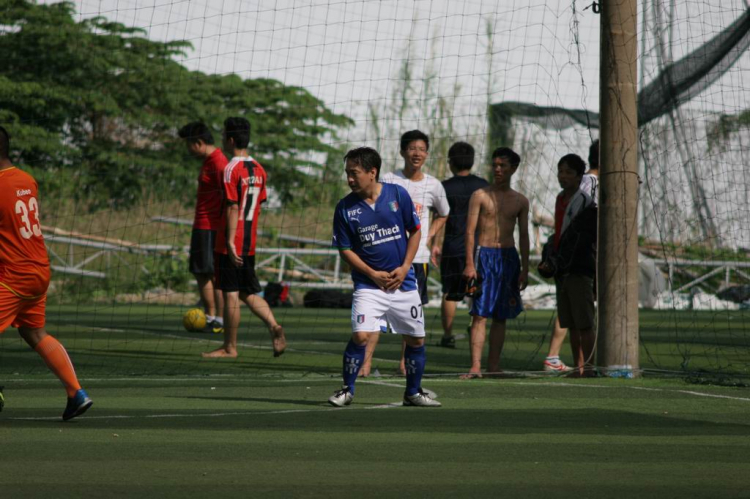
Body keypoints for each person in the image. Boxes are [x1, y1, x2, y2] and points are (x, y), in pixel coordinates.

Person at [328, 146, 440, 407]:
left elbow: (415, 231)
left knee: (416, 339)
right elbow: (345, 249)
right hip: (368, 286)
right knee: (361, 336)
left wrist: (404, 268)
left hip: (404, 283)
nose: (349, 179)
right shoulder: (345, 208)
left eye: (354, 173)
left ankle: (413, 392)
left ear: (372, 172)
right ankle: (347, 389)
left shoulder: (397, 194)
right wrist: (371, 274)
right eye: (347, 173)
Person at [0, 125, 92, 420]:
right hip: (38, 271)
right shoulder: (26, 179)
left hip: (13, 276)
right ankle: (76, 393)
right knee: (34, 332)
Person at [360, 130, 449, 376]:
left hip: (417, 260)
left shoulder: (434, 185)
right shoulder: (388, 180)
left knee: (411, 316)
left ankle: (404, 364)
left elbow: (444, 212)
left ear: (427, 154)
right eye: (411, 148)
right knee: (374, 311)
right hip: (384, 258)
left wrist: (430, 236)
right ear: (402, 152)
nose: (416, 153)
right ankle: (365, 363)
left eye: (421, 149)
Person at [202, 117, 286, 358]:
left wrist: (229, 241)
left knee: (230, 293)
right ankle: (273, 325)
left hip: (231, 240)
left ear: (230, 139)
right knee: (247, 291)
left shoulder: (230, 168)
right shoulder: (259, 169)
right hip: (250, 241)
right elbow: (259, 202)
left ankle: (230, 347)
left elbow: (232, 207)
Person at [462, 147, 529, 378]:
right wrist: (469, 264)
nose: (498, 170)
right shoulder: (479, 195)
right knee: (479, 314)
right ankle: (475, 366)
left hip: (509, 257)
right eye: (495, 165)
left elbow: (524, 236)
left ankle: (493, 366)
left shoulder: (520, 201)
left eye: (503, 166)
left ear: (513, 169)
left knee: (501, 316)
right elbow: (469, 232)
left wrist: (525, 269)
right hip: (484, 257)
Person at [538, 154, 597, 377]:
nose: (563, 176)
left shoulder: (583, 200)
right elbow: (560, 232)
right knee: (570, 321)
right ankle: (579, 366)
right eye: (560, 171)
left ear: (579, 176)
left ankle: (590, 367)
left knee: (584, 322)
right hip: (562, 266)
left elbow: (579, 236)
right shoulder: (560, 197)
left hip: (579, 266)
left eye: (568, 172)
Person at [430, 142, 489, 348]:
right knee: (477, 289)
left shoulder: (445, 187)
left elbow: (440, 216)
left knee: (450, 292)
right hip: (479, 247)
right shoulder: (484, 185)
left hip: (453, 246)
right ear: (472, 161)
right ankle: (475, 326)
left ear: (450, 162)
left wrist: (435, 244)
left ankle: (448, 336)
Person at [178, 122, 227, 334]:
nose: (188, 149)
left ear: (198, 143)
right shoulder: (209, 161)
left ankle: (217, 319)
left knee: (211, 274)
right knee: (203, 273)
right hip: (203, 225)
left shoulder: (218, 162)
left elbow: (229, 195)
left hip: (210, 226)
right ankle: (213, 318)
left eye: (189, 144)